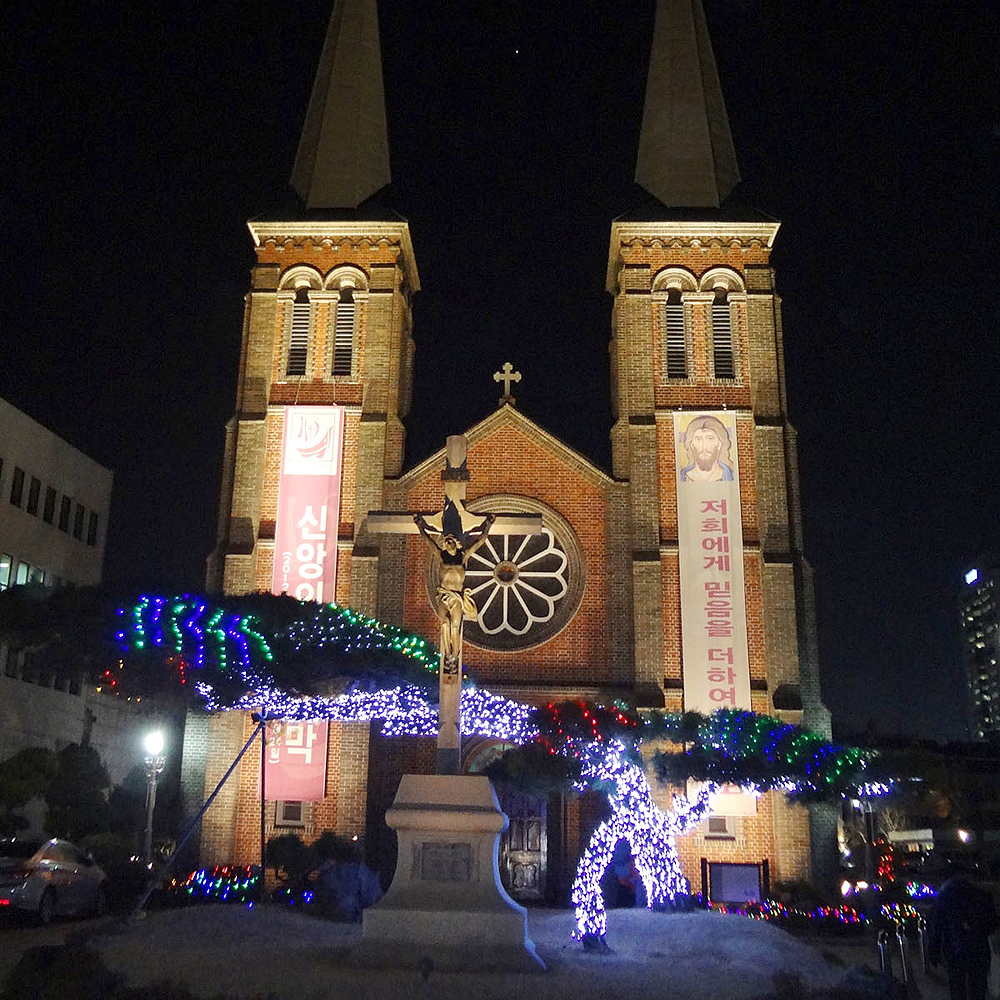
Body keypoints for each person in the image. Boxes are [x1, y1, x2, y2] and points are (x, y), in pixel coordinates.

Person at [414, 510, 496, 659]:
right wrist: (420, 526)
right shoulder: (441, 557)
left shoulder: (463, 557)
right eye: (446, 542)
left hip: (456, 597)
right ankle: (446, 654)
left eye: (450, 541)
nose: (448, 543)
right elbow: (428, 542)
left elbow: (480, 542)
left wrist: (488, 526)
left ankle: (454, 655)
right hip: (444, 595)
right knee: (445, 623)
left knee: (455, 626)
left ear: (455, 543)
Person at [927, 869, 999, 1000]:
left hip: (955, 949)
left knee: (957, 986)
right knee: (977, 988)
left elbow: (937, 926)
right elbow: (992, 924)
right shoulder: (982, 895)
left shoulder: (945, 897)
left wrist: (934, 952)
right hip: (978, 948)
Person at [679, 414, 735, 482]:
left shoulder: (732, 476)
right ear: (691, 445)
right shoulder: (682, 477)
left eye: (710, 439)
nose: (704, 447)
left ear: (720, 444)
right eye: (698, 439)